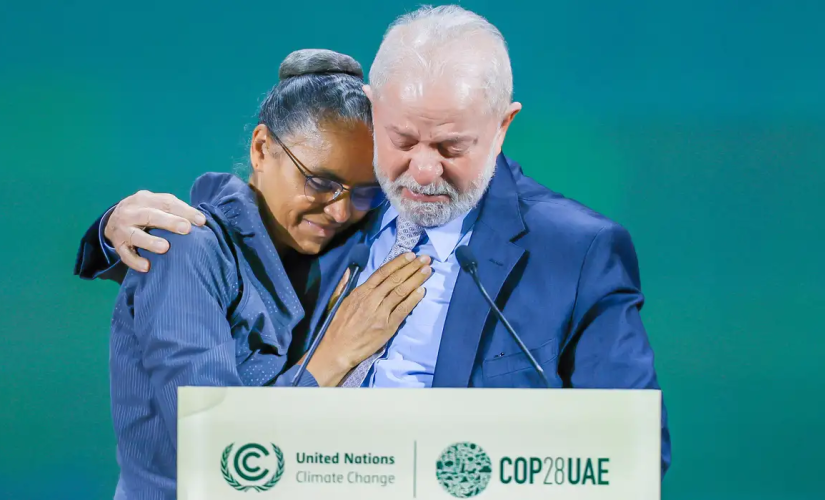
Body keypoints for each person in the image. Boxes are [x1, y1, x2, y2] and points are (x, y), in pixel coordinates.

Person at [76, 5, 671, 477]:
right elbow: (227, 235)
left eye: (452, 147)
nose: (422, 172)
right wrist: (108, 231)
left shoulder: (577, 251)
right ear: (376, 117)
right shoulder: (339, 209)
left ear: (502, 126)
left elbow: (632, 452)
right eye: (403, 139)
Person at [95, 48, 437, 499]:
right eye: (319, 182)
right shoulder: (185, 250)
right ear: (261, 148)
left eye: (366, 194)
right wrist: (333, 357)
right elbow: (214, 450)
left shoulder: (339, 241)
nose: (339, 211)